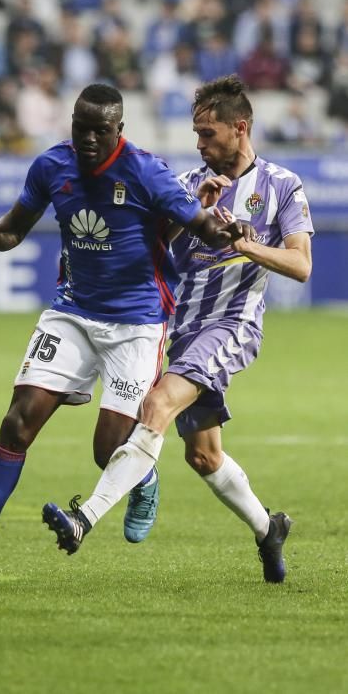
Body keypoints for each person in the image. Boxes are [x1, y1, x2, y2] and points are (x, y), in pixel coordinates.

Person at [42, 74, 313, 584]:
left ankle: (84, 520)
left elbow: (301, 265)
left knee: (157, 406)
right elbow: (156, 251)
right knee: (203, 455)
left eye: (208, 134)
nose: (199, 144)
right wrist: (198, 216)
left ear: (240, 127)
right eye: (196, 133)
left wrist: (245, 245)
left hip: (231, 325)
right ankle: (268, 528)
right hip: (181, 327)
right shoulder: (189, 185)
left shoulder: (282, 186)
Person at [0, 82, 246, 547]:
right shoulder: (52, 165)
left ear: (119, 130)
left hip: (136, 322)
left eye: (99, 131)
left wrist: (231, 230)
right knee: (16, 423)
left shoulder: (147, 172)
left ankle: (144, 479)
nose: (88, 140)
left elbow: (202, 225)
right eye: (80, 128)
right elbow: (12, 232)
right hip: (72, 311)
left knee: (109, 451)